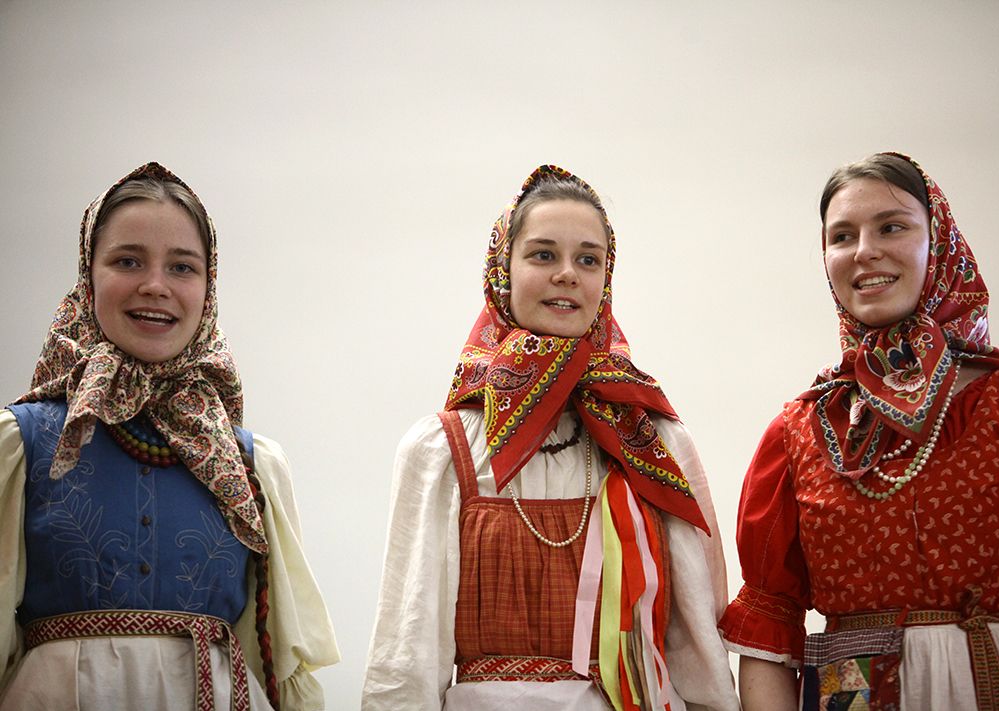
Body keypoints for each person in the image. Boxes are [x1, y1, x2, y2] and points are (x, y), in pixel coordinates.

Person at [362, 165, 738, 710]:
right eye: (543, 255)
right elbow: (407, 656)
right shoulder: (444, 450)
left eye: (588, 259)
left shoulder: (651, 438)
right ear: (502, 270)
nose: (567, 274)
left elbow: (696, 642)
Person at [718, 152, 999, 710]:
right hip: (849, 693)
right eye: (842, 236)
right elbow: (769, 622)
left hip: (992, 685)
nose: (864, 250)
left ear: (940, 243)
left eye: (891, 227)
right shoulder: (797, 433)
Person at [0, 162, 339, 710]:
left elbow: (279, 659)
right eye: (127, 261)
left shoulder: (250, 464)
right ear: (87, 277)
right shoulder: (24, 443)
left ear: (208, 287)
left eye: (182, 267)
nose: (155, 286)